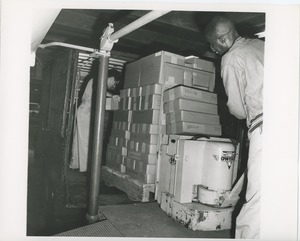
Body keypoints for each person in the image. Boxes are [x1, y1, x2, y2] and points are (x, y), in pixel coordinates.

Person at [204, 15, 264, 239]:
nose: (215, 50)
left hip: (266, 126)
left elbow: (238, 108)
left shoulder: (231, 57)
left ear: (221, 39)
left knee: (259, 198)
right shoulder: (262, 45)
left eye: (213, 45)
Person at [69, 68, 121, 172]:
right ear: (111, 78)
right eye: (114, 83)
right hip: (85, 112)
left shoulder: (97, 81)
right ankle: (86, 167)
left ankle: (78, 164)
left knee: (82, 139)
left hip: (86, 112)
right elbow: (100, 93)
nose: (113, 86)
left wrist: (111, 96)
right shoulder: (96, 80)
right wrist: (112, 96)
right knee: (85, 141)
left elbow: (101, 93)